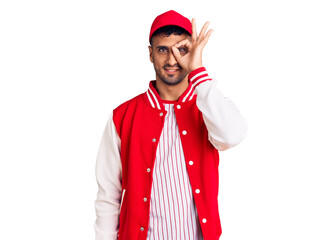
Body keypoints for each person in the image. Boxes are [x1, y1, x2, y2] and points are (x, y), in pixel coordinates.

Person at [94, 10, 248, 240]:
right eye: (163, 49)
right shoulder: (123, 116)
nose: (172, 60)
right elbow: (108, 196)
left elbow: (233, 135)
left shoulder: (208, 107)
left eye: (182, 49)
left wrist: (198, 72)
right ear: (150, 54)